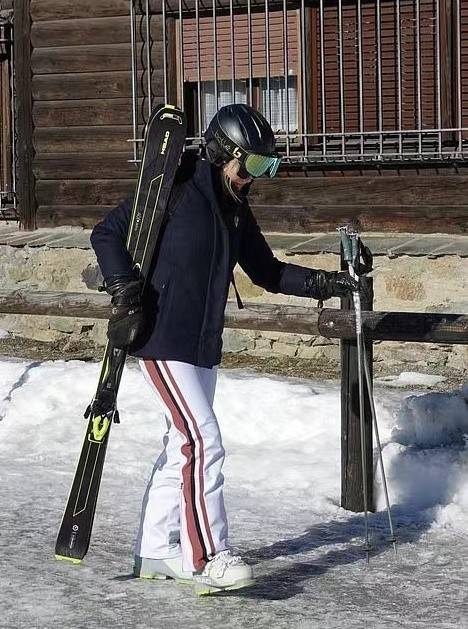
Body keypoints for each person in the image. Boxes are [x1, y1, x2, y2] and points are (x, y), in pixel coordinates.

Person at [90, 104, 359, 595]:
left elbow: (268, 272)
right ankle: (209, 557)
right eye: (252, 165)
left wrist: (329, 281)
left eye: (266, 168)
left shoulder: (234, 208)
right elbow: (106, 234)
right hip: (162, 339)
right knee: (203, 443)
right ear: (221, 153)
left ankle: (155, 548)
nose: (255, 178)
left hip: (202, 345)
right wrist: (124, 286)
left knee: (181, 446)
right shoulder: (172, 186)